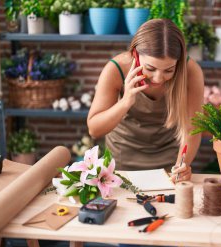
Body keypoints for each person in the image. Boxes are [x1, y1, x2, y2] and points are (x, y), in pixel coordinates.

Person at [87, 18, 204, 183]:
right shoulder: (115, 69)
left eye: (169, 70)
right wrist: (126, 101)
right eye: (150, 68)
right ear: (135, 53)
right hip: (123, 159)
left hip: (169, 161)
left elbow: (192, 127)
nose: (158, 78)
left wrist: (181, 166)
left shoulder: (191, 71)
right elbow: (94, 129)